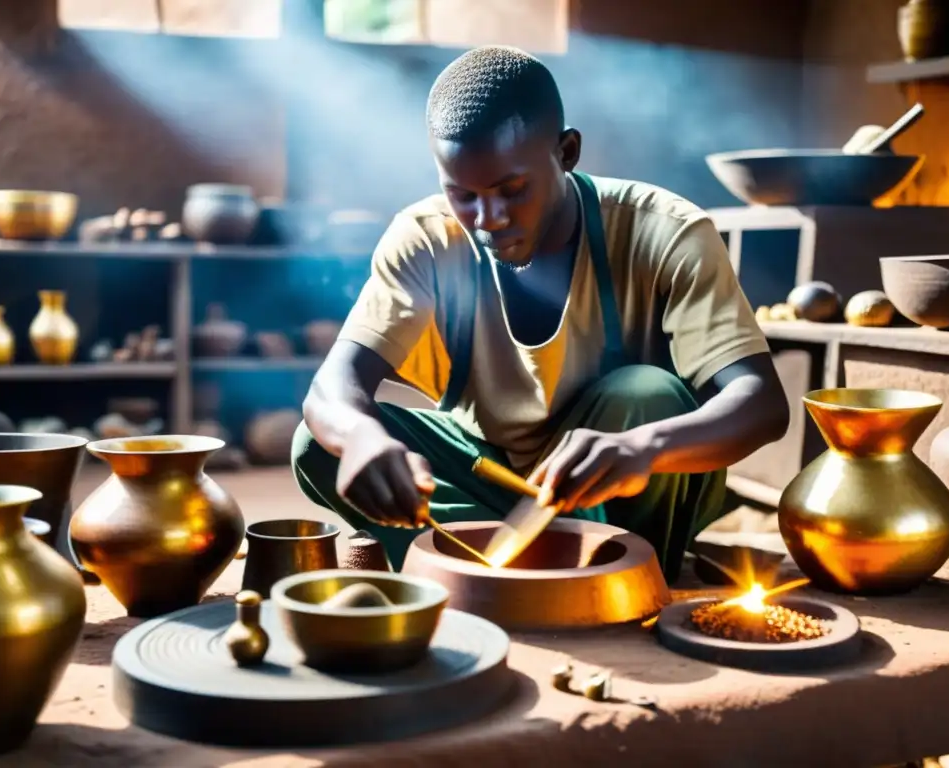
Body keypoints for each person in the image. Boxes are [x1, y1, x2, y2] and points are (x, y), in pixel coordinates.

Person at [292, 45, 789, 580]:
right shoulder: (427, 240)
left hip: (617, 492)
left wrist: (643, 447)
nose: (488, 218)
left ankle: (595, 573)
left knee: (644, 394)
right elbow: (333, 387)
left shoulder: (664, 232)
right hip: (490, 476)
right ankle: (510, 568)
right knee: (318, 443)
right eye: (462, 194)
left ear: (567, 152)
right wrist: (364, 439)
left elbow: (761, 405)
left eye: (513, 189)